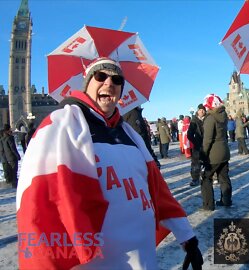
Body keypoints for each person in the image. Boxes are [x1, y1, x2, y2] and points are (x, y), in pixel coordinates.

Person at [16, 57, 202, 269]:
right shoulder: (63, 124)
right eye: (100, 76)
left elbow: (157, 190)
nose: (109, 83)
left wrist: (187, 236)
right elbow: (37, 202)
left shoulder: (129, 133)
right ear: (87, 85)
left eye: (117, 79)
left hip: (145, 257)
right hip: (100, 261)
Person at [200, 94, 232, 210]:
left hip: (214, 154)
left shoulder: (211, 118)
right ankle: (226, 200)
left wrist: (203, 154)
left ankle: (208, 205)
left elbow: (207, 139)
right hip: (224, 151)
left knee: (206, 178)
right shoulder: (223, 115)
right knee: (224, 177)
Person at [187, 104, 206, 187]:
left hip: (207, 144)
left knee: (209, 162)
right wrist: (195, 142)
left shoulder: (208, 119)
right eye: (200, 110)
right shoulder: (194, 121)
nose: (201, 111)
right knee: (195, 163)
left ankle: (212, 177)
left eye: (203, 110)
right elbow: (189, 134)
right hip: (198, 145)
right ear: (197, 111)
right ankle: (195, 179)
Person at [1, 124, 21, 188]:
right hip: (12, 157)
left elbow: (2, 150)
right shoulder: (10, 138)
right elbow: (13, 148)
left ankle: (12, 184)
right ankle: (15, 185)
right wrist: (17, 155)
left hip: (7, 158)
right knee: (14, 171)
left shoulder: (2, 139)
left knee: (11, 171)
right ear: (8, 129)